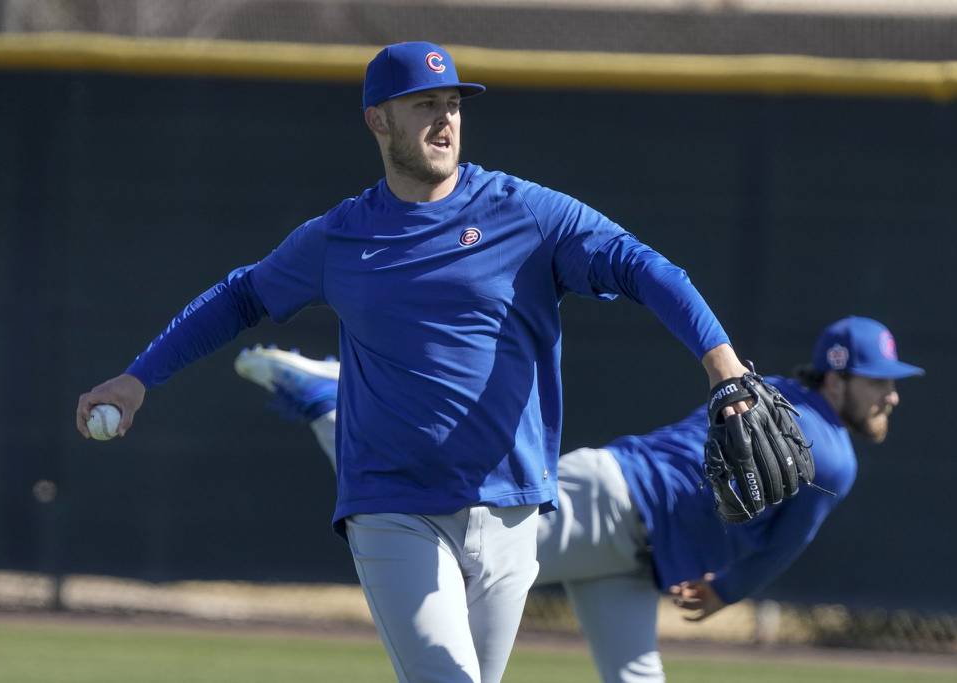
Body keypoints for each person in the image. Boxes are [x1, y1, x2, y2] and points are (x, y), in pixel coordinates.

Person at [77, 41, 762, 683]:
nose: (445, 119)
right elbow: (242, 295)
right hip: (394, 505)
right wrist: (139, 377)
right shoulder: (341, 236)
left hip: (513, 506)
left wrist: (723, 364)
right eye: (424, 104)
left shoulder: (525, 214)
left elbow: (643, 267)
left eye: (454, 104)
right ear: (378, 119)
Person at [234, 315, 924, 683]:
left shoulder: (776, 390)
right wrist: (725, 592)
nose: (890, 392)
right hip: (615, 505)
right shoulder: (833, 451)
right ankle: (334, 401)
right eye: (876, 380)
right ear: (837, 379)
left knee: (635, 675)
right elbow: (786, 541)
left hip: (634, 549)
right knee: (438, 513)